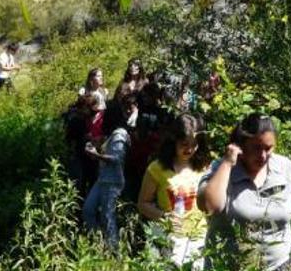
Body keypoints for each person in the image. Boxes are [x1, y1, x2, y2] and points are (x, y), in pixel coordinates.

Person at [198, 113, 291, 271]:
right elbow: (210, 206)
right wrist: (228, 162)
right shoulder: (221, 169)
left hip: (281, 266)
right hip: (228, 266)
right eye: (256, 148)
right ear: (240, 145)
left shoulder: (285, 168)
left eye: (268, 148)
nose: (263, 156)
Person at [138, 114, 211, 269]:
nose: (190, 149)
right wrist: (164, 217)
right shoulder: (157, 168)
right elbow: (143, 204)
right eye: (184, 144)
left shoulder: (205, 166)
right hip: (170, 239)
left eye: (195, 144)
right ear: (173, 141)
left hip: (199, 238)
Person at [82, 102, 133, 247]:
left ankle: (113, 252)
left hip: (113, 181)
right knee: (88, 209)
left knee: (108, 217)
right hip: (103, 179)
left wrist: (96, 155)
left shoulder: (119, 135)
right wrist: (95, 152)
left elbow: (117, 159)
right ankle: (99, 243)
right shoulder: (113, 134)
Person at [65, 94, 102, 197]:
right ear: (84, 107)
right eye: (90, 108)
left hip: (91, 157)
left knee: (92, 182)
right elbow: (71, 140)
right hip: (80, 158)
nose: (93, 111)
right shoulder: (76, 121)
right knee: (79, 185)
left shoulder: (87, 118)